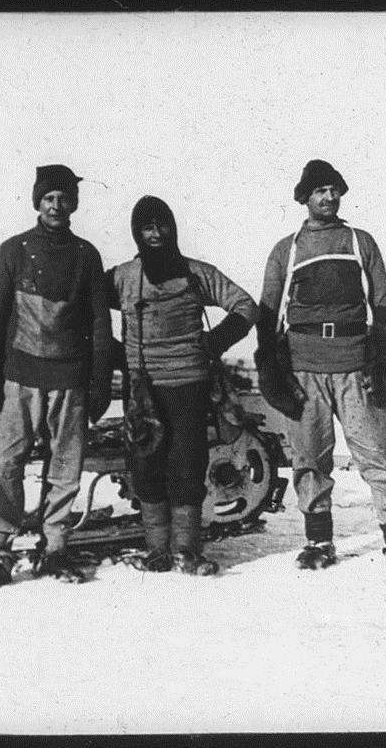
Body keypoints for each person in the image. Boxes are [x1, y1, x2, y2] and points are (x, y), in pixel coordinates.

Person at [255, 160, 386, 573]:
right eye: (319, 191)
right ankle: (318, 542)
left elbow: (382, 302)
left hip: (355, 366)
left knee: (379, 454)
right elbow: (268, 313)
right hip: (303, 369)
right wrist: (271, 369)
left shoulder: (359, 241)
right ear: (304, 198)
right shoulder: (286, 250)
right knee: (309, 457)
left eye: (334, 189)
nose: (328, 197)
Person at [0, 165, 114, 589]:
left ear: (74, 204)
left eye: (64, 198)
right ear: (37, 202)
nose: (57, 205)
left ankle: (54, 546)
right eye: (49, 198)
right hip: (20, 377)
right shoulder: (12, 251)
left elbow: (100, 325)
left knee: (66, 466)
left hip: (70, 378)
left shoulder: (87, 255)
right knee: (7, 462)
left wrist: (100, 380)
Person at [105, 196, 257, 574]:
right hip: (142, 388)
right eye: (146, 227)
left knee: (188, 465)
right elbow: (86, 307)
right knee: (146, 467)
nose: (155, 234)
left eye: (162, 225)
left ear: (173, 228)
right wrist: (113, 353)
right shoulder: (123, 277)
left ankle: (185, 552)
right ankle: (157, 551)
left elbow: (245, 305)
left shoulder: (196, 273)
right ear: (136, 233)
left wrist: (215, 341)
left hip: (189, 383)